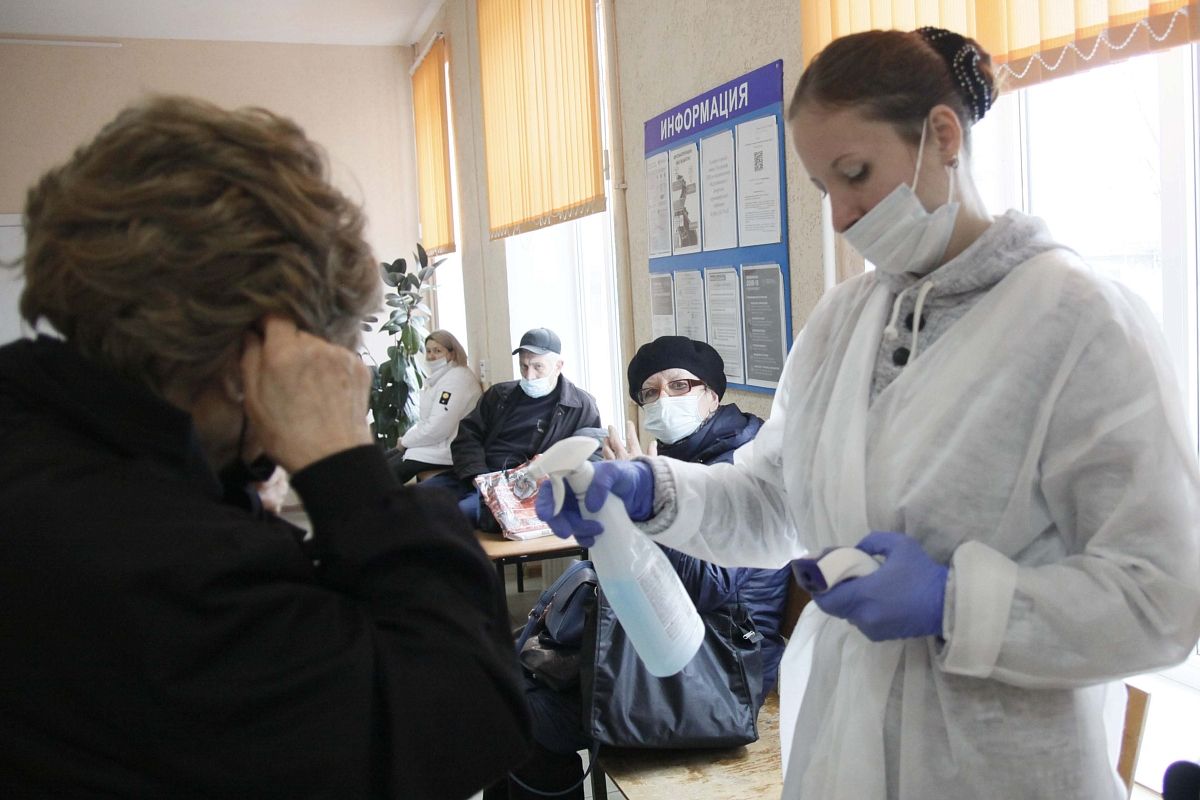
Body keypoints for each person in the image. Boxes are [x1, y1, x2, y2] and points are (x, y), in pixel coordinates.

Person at [539, 28, 1200, 800]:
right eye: (825, 188)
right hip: (843, 746)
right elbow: (774, 505)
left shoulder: (1077, 324)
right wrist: (654, 492)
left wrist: (954, 604)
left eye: (856, 174)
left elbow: (1162, 595)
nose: (844, 216)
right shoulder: (842, 324)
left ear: (943, 137)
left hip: (1000, 767)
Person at [0, 95, 531, 799]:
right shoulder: (165, 565)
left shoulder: (36, 437)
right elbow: (465, 720)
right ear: (267, 342)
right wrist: (345, 464)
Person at [487, 336, 791, 800]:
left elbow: (710, 589)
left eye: (679, 385)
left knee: (520, 716)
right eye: (649, 392)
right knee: (503, 676)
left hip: (722, 666)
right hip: (659, 643)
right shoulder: (678, 455)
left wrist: (638, 512)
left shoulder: (743, 462)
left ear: (711, 393)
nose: (663, 399)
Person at [424, 327, 601, 528]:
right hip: (479, 475)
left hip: (522, 488)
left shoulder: (580, 405)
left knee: (462, 514)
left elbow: (590, 454)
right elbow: (467, 438)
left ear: (558, 365)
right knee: (417, 500)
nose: (530, 375)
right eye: (524, 366)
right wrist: (479, 478)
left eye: (538, 367)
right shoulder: (499, 395)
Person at [386, 329, 482, 484]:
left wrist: (405, 442)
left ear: (451, 353)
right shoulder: (441, 377)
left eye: (437, 351)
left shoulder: (456, 379)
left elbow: (438, 427)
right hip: (434, 444)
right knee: (380, 463)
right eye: (429, 351)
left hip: (449, 449)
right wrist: (405, 440)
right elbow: (425, 421)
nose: (431, 356)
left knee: (386, 475)